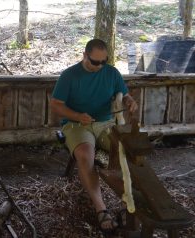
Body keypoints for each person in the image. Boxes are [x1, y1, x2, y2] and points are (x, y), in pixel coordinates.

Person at [50, 39, 138, 233]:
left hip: (106, 122)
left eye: (103, 62)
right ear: (84, 55)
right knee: (85, 155)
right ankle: (101, 208)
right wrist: (77, 116)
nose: (99, 66)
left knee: (126, 149)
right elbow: (55, 104)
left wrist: (130, 101)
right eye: (94, 62)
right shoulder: (69, 75)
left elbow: (124, 94)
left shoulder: (112, 73)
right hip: (76, 124)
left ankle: (127, 205)